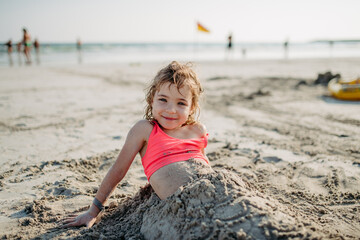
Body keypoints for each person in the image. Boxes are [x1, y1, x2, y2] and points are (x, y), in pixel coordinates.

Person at [62, 61, 212, 228]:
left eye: (181, 103)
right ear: (151, 100)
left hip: (214, 196)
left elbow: (205, 168)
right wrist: (93, 211)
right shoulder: (145, 130)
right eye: (163, 100)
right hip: (184, 210)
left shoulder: (198, 130)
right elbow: (118, 170)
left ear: (192, 107)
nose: (171, 110)